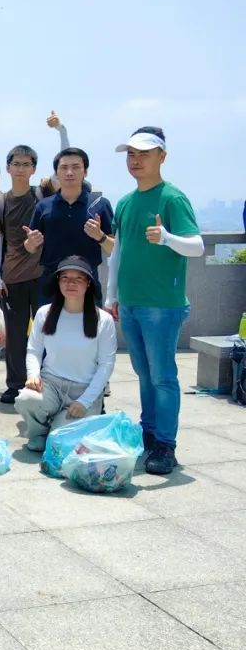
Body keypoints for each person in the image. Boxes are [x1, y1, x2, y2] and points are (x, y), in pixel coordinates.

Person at [107, 127, 203, 475]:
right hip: (130, 302)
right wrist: (111, 295)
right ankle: (148, 435)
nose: (135, 161)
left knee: (163, 376)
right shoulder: (125, 202)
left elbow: (197, 246)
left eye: (144, 154)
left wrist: (166, 238)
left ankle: (165, 444)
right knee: (144, 375)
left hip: (163, 304)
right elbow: (118, 251)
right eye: (131, 154)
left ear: (162, 156)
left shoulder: (172, 198)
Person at [16, 257, 117, 451]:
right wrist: (33, 375)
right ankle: (38, 433)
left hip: (84, 389)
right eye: (65, 278)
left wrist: (85, 401)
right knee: (26, 400)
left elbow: (106, 365)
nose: (71, 283)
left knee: (59, 441)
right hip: (51, 385)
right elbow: (34, 350)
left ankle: (56, 428)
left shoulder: (103, 320)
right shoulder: (44, 313)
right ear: (57, 282)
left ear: (88, 283)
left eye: (78, 278)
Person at [0, 145, 48, 405]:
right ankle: (15, 385)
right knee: (15, 336)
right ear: (8, 167)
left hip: (44, 275)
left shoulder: (43, 194)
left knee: (47, 331)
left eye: (26, 164)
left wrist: (60, 130)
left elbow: (65, 168)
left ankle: (47, 382)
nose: (21, 169)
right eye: (16, 164)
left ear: (34, 169)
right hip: (12, 277)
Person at [24, 147, 115, 302]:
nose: (69, 172)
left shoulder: (100, 204)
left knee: (90, 319)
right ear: (56, 173)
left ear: (85, 171)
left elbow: (113, 248)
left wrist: (100, 236)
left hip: (87, 280)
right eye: (64, 167)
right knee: (48, 319)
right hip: (52, 282)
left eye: (76, 167)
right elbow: (30, 247)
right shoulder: (43, 206)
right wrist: (31, 243)